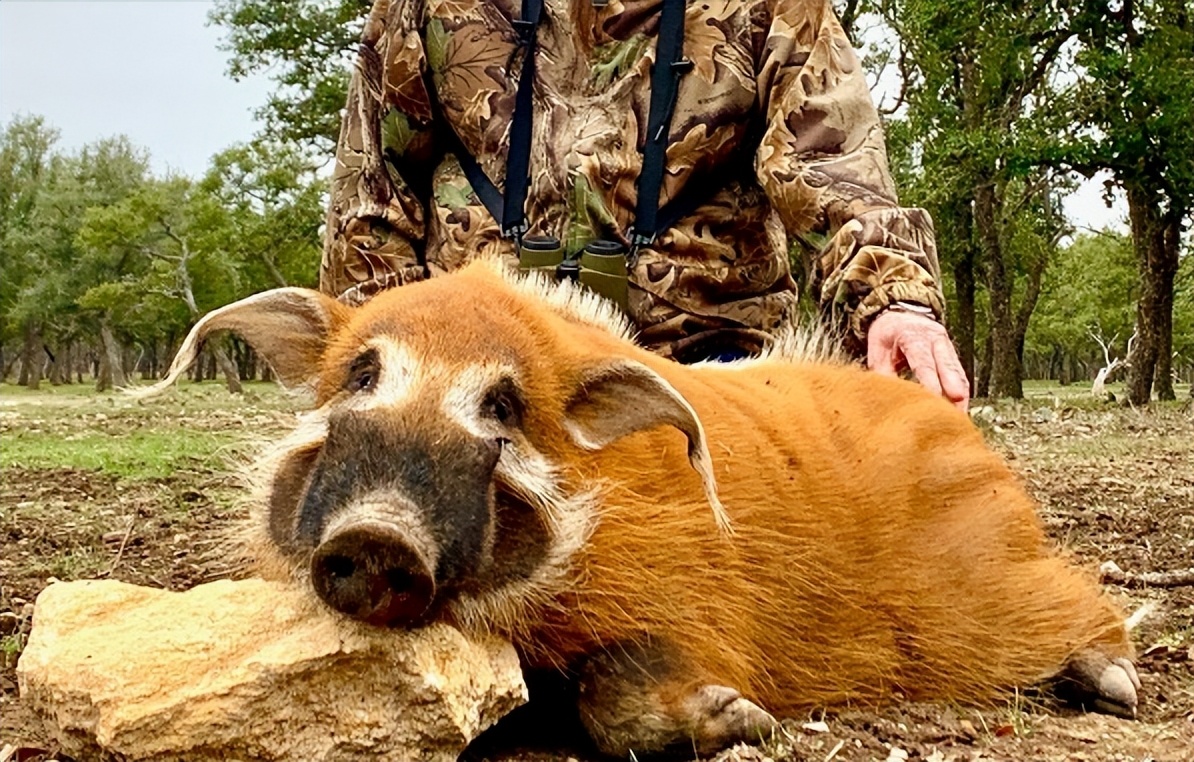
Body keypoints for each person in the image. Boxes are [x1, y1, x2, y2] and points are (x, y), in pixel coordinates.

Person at [320, 0, 970, 411]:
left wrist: (897, 302)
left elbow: (833, 168)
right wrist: (373, 360)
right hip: (471, 365)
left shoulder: (776, 8)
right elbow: (373, 193)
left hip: (705, 364)